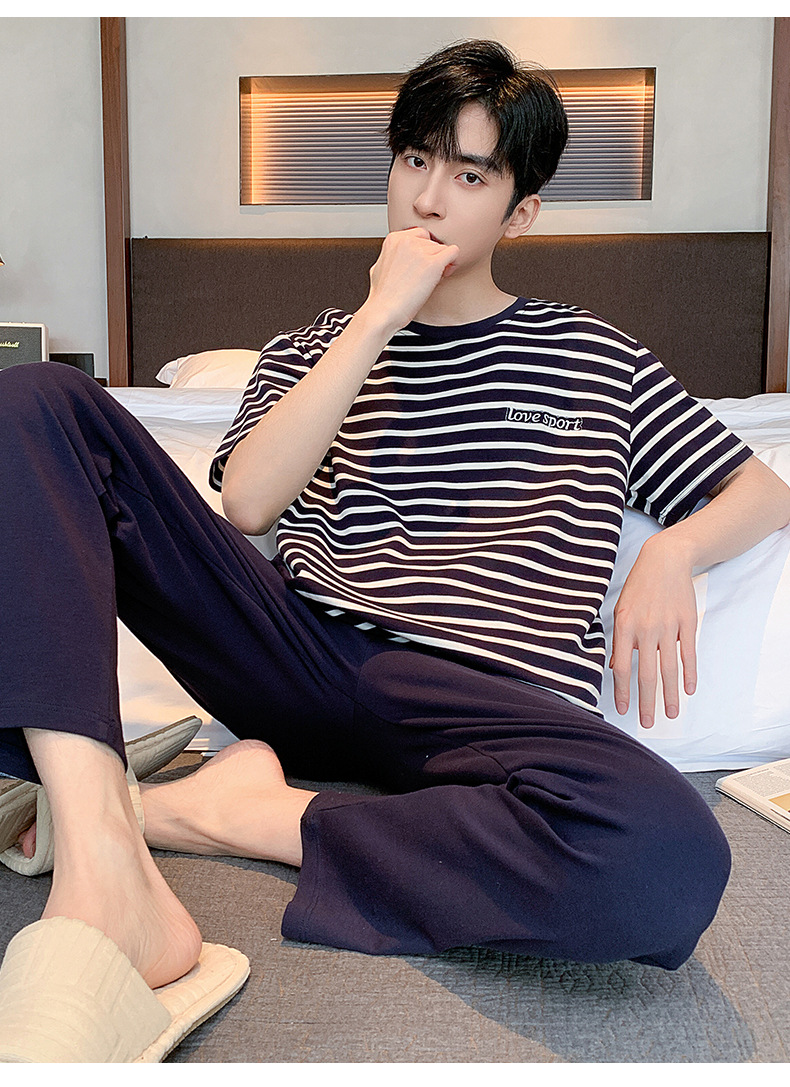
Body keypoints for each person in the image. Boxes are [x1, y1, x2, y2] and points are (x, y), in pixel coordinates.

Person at [1, 39, 789, 1051]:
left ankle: (230, 813)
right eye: (414, 160)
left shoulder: (596, 358)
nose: (427, 197)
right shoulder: (311, 347)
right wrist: (376, 317)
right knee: (32, 402)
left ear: (520, 213)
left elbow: (760, 490)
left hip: (485, 698)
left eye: (469, 176)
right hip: (298, 651)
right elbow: (248, 503)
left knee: (668, 853)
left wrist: (670, 553)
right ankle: (102, 856)